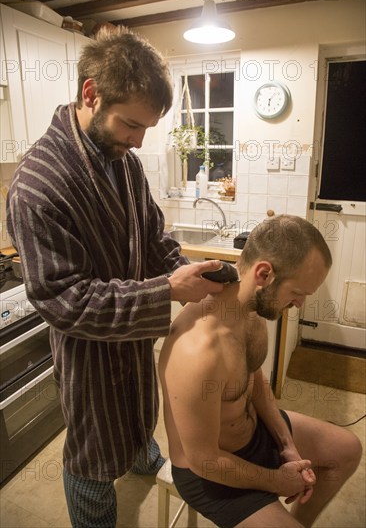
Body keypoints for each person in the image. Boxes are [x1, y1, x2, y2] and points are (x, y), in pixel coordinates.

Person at [6, 26, 224, 527]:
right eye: (131, 124)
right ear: (90, 93)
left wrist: (180, 268)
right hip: (87, 354)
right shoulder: (38, 185)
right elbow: (64, 300)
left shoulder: (122, 159)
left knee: (137, 411)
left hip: (130, 338)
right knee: (92, 454)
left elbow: (151, 231)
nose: (139, 139)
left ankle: (142, 454)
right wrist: (167, 289)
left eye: (147, 128)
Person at [159, 215, 362, 528]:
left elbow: (253, 381)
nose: (301, 303)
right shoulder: (198, 351)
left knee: (348, 449)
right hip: (211, 473)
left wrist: (287, 444)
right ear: (264, 273)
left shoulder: (252, 314)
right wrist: (277, 482)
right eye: (299, 292)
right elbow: (204, 460)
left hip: (254, 435)